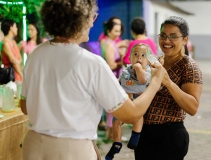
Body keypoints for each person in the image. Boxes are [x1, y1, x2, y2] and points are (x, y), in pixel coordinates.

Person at [20, 0, 165, 160]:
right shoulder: (91, 63)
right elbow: (130, 115)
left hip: (33, 146)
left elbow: (25, 106)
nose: (92, 21)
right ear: (79, 20)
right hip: (71, 151)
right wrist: (155, 82)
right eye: (91, 16)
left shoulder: (36, 54)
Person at [134, 16, 203, 160]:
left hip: (169, 136)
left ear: (185, 39)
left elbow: (193, 107)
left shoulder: (189, 67)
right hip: (145, 133)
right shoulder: (155, 61)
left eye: (173, 37)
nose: (166, 41)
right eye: (163, 36)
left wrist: (169, 83)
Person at [105, 43, 161, 160]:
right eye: (135, 54)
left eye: (143, 55)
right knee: (116, 120)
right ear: (130, 58)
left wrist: (138, 68)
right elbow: (120, 82)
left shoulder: (147, 71)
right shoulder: (126, 70)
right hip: (125, 99)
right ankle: (117, 143)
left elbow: (142, 81)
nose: (139, 58)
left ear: (149, 60)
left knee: (138, 117)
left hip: (139, 100)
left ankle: (135, 135)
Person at [100, 17, 125, 140]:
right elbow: (111, 65)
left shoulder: (110, 43)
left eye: (119, 31)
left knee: (113, 107)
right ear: (109, 31)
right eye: (115, 31)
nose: (118, 34)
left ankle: (111, 134)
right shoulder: (109, 45)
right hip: (113, 77)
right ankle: (111, 135)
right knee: (113, 107)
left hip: (114, 77)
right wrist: (122, 61)